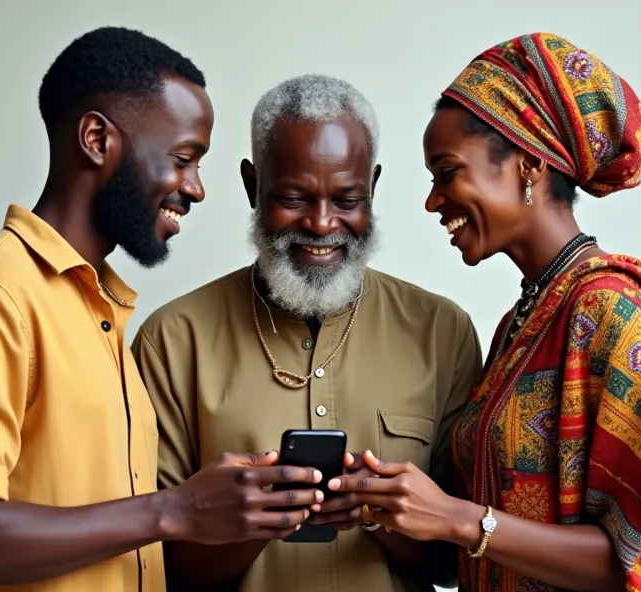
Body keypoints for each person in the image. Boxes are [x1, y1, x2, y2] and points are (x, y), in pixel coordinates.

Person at [0, 27, 325, 592]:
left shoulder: (100, 312)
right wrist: (175, 509)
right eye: (183, 158)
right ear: (97, 139)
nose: (195, 189)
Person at [329, 32, 641, 592]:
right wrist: (374, 501)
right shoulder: (520, 325)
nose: (433, 201)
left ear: (527, 164)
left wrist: (458, 518)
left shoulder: (607, 310)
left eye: (447, 172)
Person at [130, 73, 482, 591]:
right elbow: (153, 568)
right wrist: (255, 519)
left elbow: (460, 563)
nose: (321, 224)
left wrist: (376, 511)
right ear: (253, 186)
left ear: (373, 189)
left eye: (346, 200)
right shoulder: (172, 340)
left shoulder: (441, 330)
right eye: (294, 197)